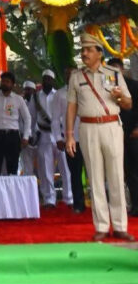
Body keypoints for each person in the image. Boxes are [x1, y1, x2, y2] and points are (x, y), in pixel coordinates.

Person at [66, 33, 133, 242]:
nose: (84, 53)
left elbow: (128, 104)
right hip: (88, 128)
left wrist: (119, 97)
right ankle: (102, 226)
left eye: (88, 50)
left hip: (112, 125)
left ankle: (120, 226)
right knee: (95, 178)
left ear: (99, 53)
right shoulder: (76, 77)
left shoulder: (114, 73)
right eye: (82, 50)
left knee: (116, 177)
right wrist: (69, 135)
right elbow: (71, 107)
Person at [106, 57, 138, 216]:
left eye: (116, 70)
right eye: (110, 70)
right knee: (126, 172)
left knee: (135, 170)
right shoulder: (106, 88)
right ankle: (133, 205)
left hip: (134, 134)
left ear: (122, 70)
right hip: (116, 134)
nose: (114, 73)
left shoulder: (134, 85)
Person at [51, 67, 85, 213]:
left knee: (94, 172)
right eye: (67, 74)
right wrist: (59, 138)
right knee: (75, 173)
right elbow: (55, 119)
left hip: (88, 138)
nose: (69, 76)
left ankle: (97, 204)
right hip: (71, 140)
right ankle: (78, 204)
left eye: (72, 74)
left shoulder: (85, 90)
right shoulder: (59, 94)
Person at [36, 69, 72, 207]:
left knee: (65, 168)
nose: (47, 81)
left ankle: (68, 198)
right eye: (45, 78)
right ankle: (49, 199)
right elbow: (32, 117)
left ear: (53, 80)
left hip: (61, 135)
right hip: (44, 135)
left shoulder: (59, 95)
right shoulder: (35, 97)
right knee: (46, 169)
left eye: (49, 79)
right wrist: (32, 134)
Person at [20, 80, 39, 177]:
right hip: (25, 140)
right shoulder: (21, 103)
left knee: (42, 167)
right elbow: (19, 122)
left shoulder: (38, 104)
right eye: (25, 90)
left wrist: (35, 136)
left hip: (38, 139)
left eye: (29, 90)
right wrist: (25, 136)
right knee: (27, 168)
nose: (27, 92)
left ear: (34, 91)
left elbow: (39, 120)